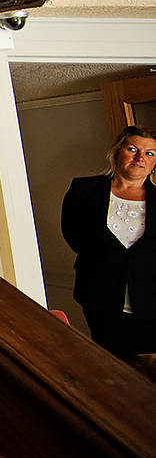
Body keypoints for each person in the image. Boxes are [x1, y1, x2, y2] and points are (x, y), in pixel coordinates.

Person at [62, 124, 156, 379]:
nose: (140, 158)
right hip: (101, 299)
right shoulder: (83, 190)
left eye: (149, 153)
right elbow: (73, 234)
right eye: (133, 149)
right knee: (113, 373)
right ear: (117, 153)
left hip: (151, 302)